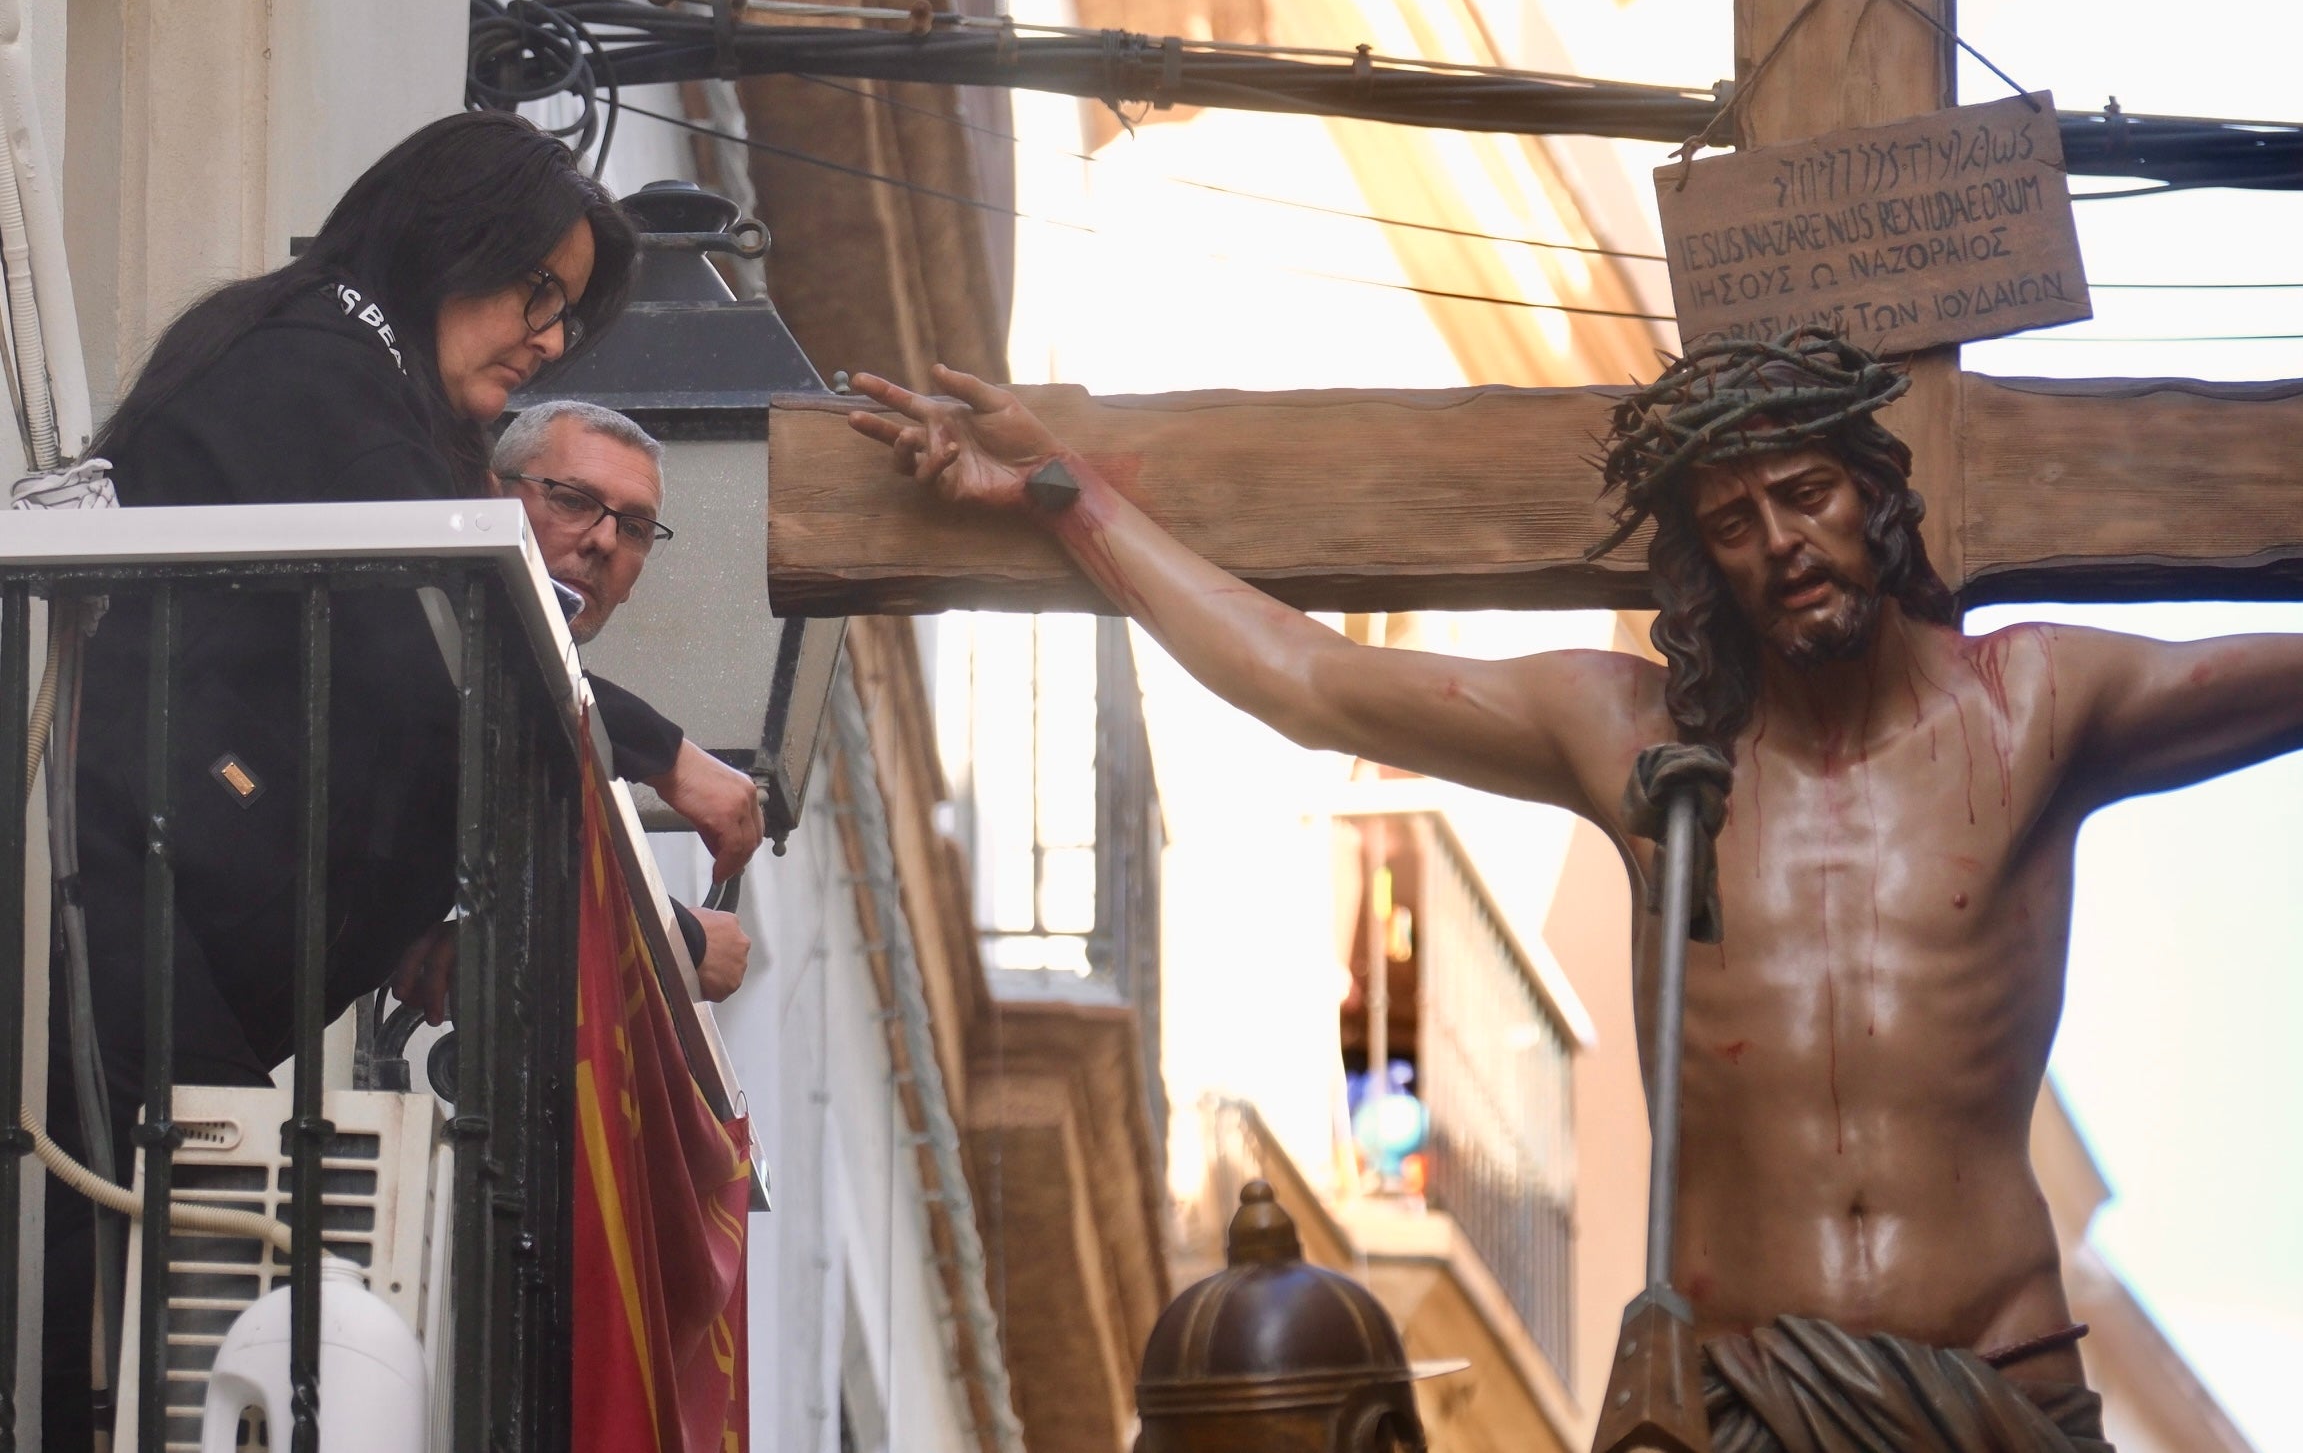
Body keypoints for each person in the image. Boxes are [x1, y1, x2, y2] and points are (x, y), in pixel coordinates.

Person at [846, 330, 2303, 1452]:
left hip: (1993, 1387)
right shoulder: (1632, 736)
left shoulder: (2036, 703)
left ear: (1876, 498)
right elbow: (1306, 677)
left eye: (1804, 494)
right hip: (1735, 1392)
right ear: (1701, 560)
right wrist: (1066, 497)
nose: (1779, 540)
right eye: (1732, 521)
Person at [45, 110, 637, 1445]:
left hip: (138, 893)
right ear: (451, 237)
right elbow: (437, 636)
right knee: (183, 1272)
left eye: (568, 316)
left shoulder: (333, 365)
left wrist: (443, 894)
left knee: (159, 1267)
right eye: (539, 290)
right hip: (107, 886)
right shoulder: (321, 358)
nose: (548, 337)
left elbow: (407, 676)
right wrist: (663, 763)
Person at [488, 397, 758, 1002]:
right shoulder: (423, 621)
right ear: (491, 498)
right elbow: (478, 674)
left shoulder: (525, 731)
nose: (606, 540)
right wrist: (667, 754)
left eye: (635, 527)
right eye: (573, 501)